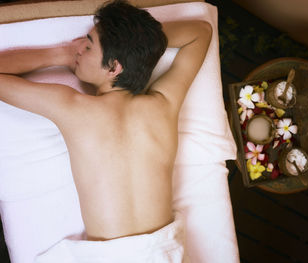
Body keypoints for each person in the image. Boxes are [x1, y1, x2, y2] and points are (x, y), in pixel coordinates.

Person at [0, 0, 211, 261]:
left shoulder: (73, 108)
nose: (78, 48)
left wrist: (61, 54)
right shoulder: (164, 105)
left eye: (87, 46)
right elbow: (201, 32)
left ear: (113, 67)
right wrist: (140, 47)